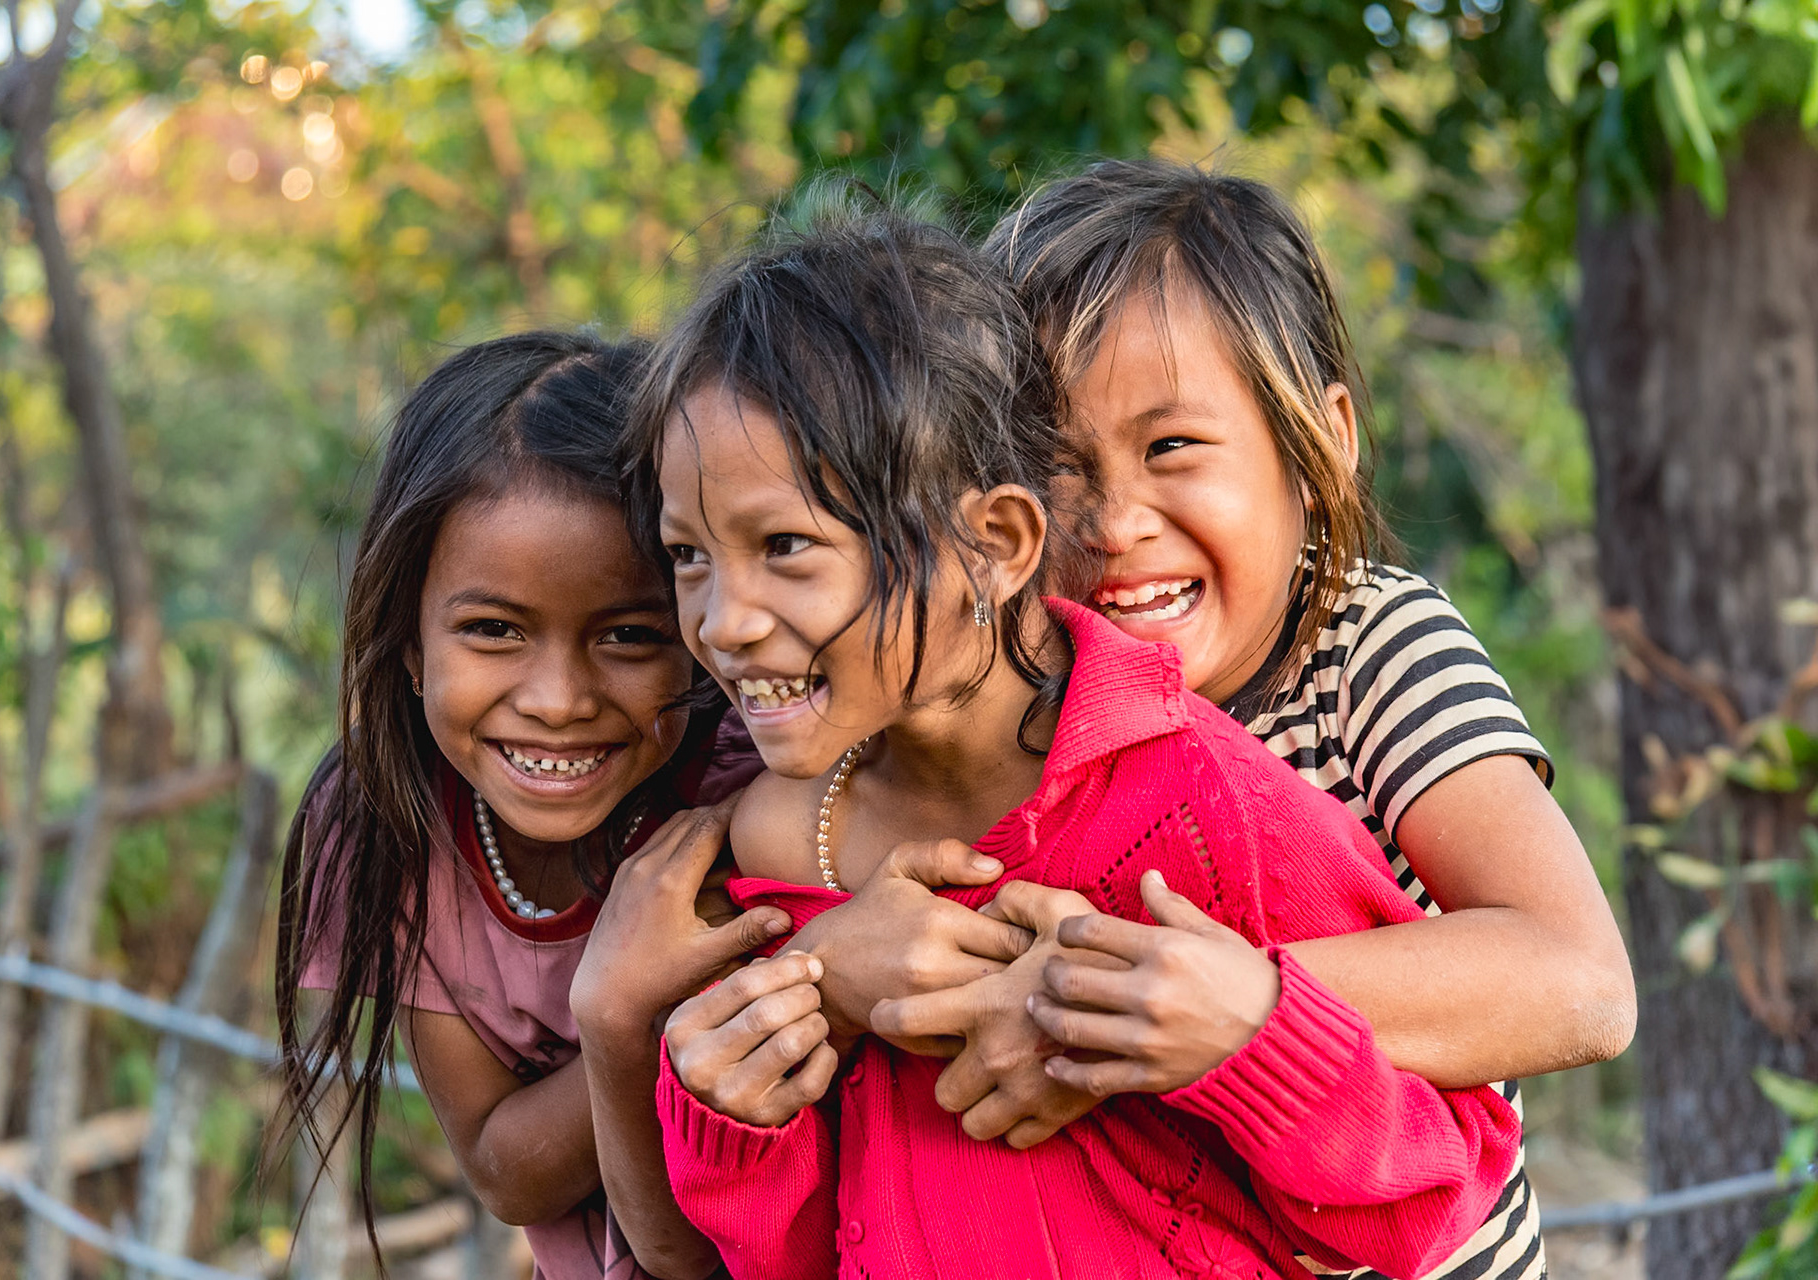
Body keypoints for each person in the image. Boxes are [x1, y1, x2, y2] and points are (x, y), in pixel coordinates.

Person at [630, 200, 1520, 1280]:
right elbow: (801, 1245)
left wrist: (1196, 1023)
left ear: (996, 541)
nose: (721, 619)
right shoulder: (775, 845)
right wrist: (732, 1104)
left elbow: (1428, 1188)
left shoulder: (1217, 801)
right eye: (687, 555)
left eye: (786, 545)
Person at [836, 161, 1637, 1280]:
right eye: (1059, 465)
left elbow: (1579, 980)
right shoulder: (1013, 698)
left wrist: (1152, 1005)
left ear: (1322, 444)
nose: (1115, 521)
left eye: (1172, 449)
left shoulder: (1366, 649)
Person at [272, 331, 775, 1280]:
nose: (557, 700)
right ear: (410, 645)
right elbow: (506, 1171)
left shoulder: (755, 789)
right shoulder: (383, 824)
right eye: (494, 630)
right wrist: (625, 1013)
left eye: (629, 635)